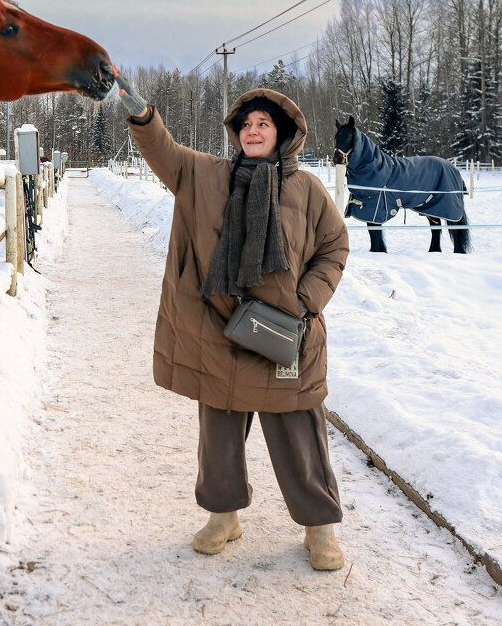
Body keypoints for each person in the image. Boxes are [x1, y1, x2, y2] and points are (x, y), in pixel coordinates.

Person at [116, 75, 349, 571]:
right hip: (221, 330)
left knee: (299, 431)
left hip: (286, 332)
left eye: (264, 123)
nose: (253, 130)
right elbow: (167, 154)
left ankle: (318, 527)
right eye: (246, 123)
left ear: (284, 133)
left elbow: (334, 248)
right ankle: (223, 516)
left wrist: (306, 301)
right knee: (218, 430)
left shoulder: (306, 189)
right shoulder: (208, 176)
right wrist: (141, 114)